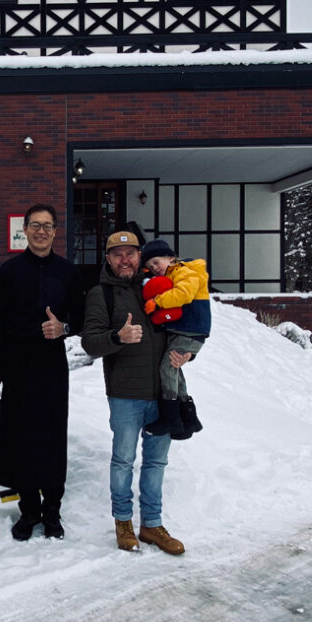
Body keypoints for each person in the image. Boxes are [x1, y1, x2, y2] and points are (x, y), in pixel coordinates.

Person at [81, 231, 187, 555]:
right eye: (118, 254)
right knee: (123, 460)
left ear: (140, 256)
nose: (125, 260)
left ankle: (152, 525)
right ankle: (124, 522)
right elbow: (90, 342)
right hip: (126, 395)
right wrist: (118, 336)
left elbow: (186, 323)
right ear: (108, 259)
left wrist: (188, 352)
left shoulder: (157, 285)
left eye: (131, 253)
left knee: (156, 462)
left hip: (165, 392)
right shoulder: (102, 294)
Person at [0, 203, 85, 540]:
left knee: (52, 438)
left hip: (52, 367)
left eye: (48, 226)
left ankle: (52, 512)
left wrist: (64, 327)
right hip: (17, 366)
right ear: (24, 230)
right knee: (22, 438)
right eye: (35, 225)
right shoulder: (9, 272)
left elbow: (83, 318)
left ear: (56, 232)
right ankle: (28, 511)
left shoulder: (68, 273)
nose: (42, 231)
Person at [139, 238, 211, 438]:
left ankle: (170, 417)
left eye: (156, 262)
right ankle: (188, 419)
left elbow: (184, 295)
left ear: (170, 258)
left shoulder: (185, 272)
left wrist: (158, 302)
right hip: (185, 331)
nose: (154, 268)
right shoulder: (173, 274)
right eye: (149, 266)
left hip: (192, 331)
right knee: (175, 371)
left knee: (167, 367)